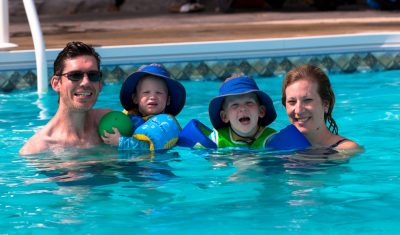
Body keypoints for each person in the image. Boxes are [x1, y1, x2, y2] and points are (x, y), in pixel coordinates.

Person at [19, 41, 112, 155]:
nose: (86, 82)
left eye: (93, 75)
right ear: (56, 84)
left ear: (100, 84)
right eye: (75, 75)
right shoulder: (38, 149)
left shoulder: (108, 122)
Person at [102, 64, 186, 150]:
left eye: (159, 93)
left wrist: (121, 142)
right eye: (146, 92)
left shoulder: (166, 124)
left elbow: (147, 147)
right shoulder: (129, 117)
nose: (152, 97)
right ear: (135, 98)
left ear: (168, 100)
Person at [282, 64, 361, 150]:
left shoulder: (346, 149)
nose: (298, 110)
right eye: (292, 102)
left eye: (307, 100)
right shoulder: (278, 144)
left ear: (326, 105)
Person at [208, 75, 277, 148]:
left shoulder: (272, 139)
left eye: (249, 103)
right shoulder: (216, 140)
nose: (243, 108)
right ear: (224, 116)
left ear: (261, 111)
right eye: (235, 105)